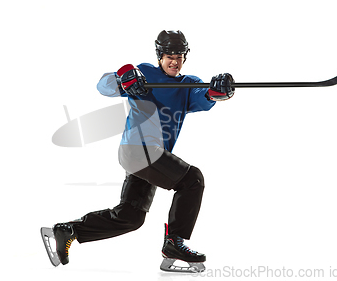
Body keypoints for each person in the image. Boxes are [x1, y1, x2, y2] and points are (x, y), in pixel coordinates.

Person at [41, 30, 235, 273]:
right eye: (168, 55)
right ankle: (175, 243)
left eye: (179, 55)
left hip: (151, 158)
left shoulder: (188, 85)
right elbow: (104, 86)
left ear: (185, 56)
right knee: (192, 180)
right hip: (138, 149)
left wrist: (217, 91)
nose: (174, 61)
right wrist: (124, 76)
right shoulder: (145, 75)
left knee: (132, 217)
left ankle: (69, 230)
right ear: (159, 56)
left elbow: (205, 96)